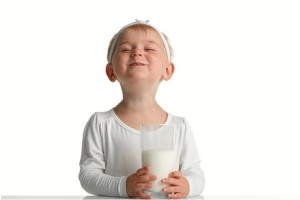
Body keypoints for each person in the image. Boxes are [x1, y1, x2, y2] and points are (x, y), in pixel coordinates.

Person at [78, 20, 205, 199]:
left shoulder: (179, 126)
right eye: (125, 49)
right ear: (111, 71)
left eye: (150, 49)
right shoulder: (101, 123)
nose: (137, 52)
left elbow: (196, 173)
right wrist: (123, 186)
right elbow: (88, 176)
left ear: (167, 70)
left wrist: (188, 185)